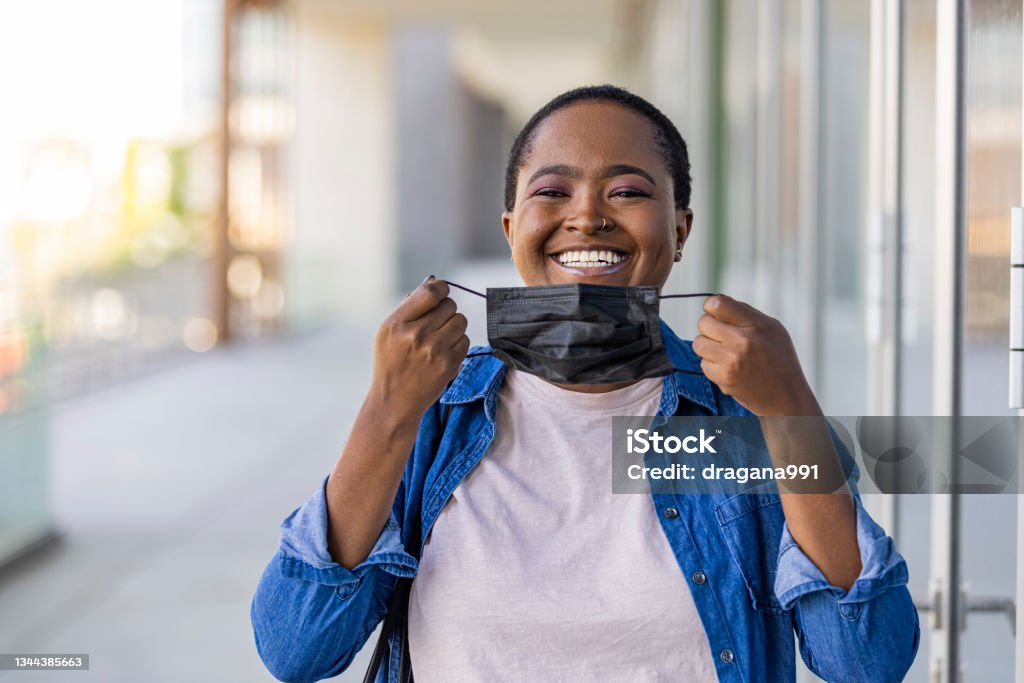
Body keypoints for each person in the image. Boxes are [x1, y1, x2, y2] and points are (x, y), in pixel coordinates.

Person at [251, 85, 920, 683]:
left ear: (680, 230)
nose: (588, 215)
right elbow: (297, 648)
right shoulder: (433, 415)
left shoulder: (744, 420)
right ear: (513, 229)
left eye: (628, 191)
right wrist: (386, 410)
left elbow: (866, 660)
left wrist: (790, 409)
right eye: (551, 191)